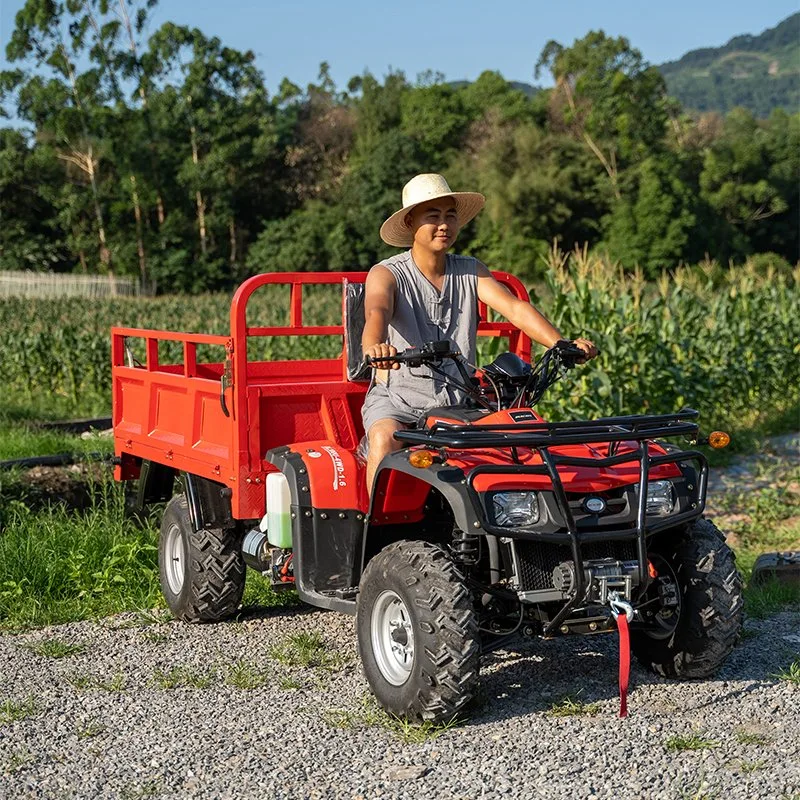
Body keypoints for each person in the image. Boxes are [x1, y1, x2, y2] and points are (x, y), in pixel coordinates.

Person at [361, 173, 597, 491]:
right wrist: (376, 347)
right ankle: (375, 531)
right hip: (398, 400)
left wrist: (561, 343)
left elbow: (514, 308)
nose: (443, 224)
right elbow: (376, 311)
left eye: (450, 216)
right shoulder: (387, 273)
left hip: (458, 400)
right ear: (410, 223)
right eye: (433, 216)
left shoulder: (470, 269)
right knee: (384, 437)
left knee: (515, 442)